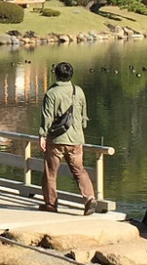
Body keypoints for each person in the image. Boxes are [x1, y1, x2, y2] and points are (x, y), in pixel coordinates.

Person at [38, 61, 102, 213]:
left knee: (50, 173)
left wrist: (42, 135)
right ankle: (90, 199)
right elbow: (84, 116)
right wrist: (80, 130)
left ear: (56, 75)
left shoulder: (51, 93)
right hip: (76, 139)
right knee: (79, 171)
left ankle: (51, 204)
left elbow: (47, 117)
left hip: (56, 140)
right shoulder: (78, 91)